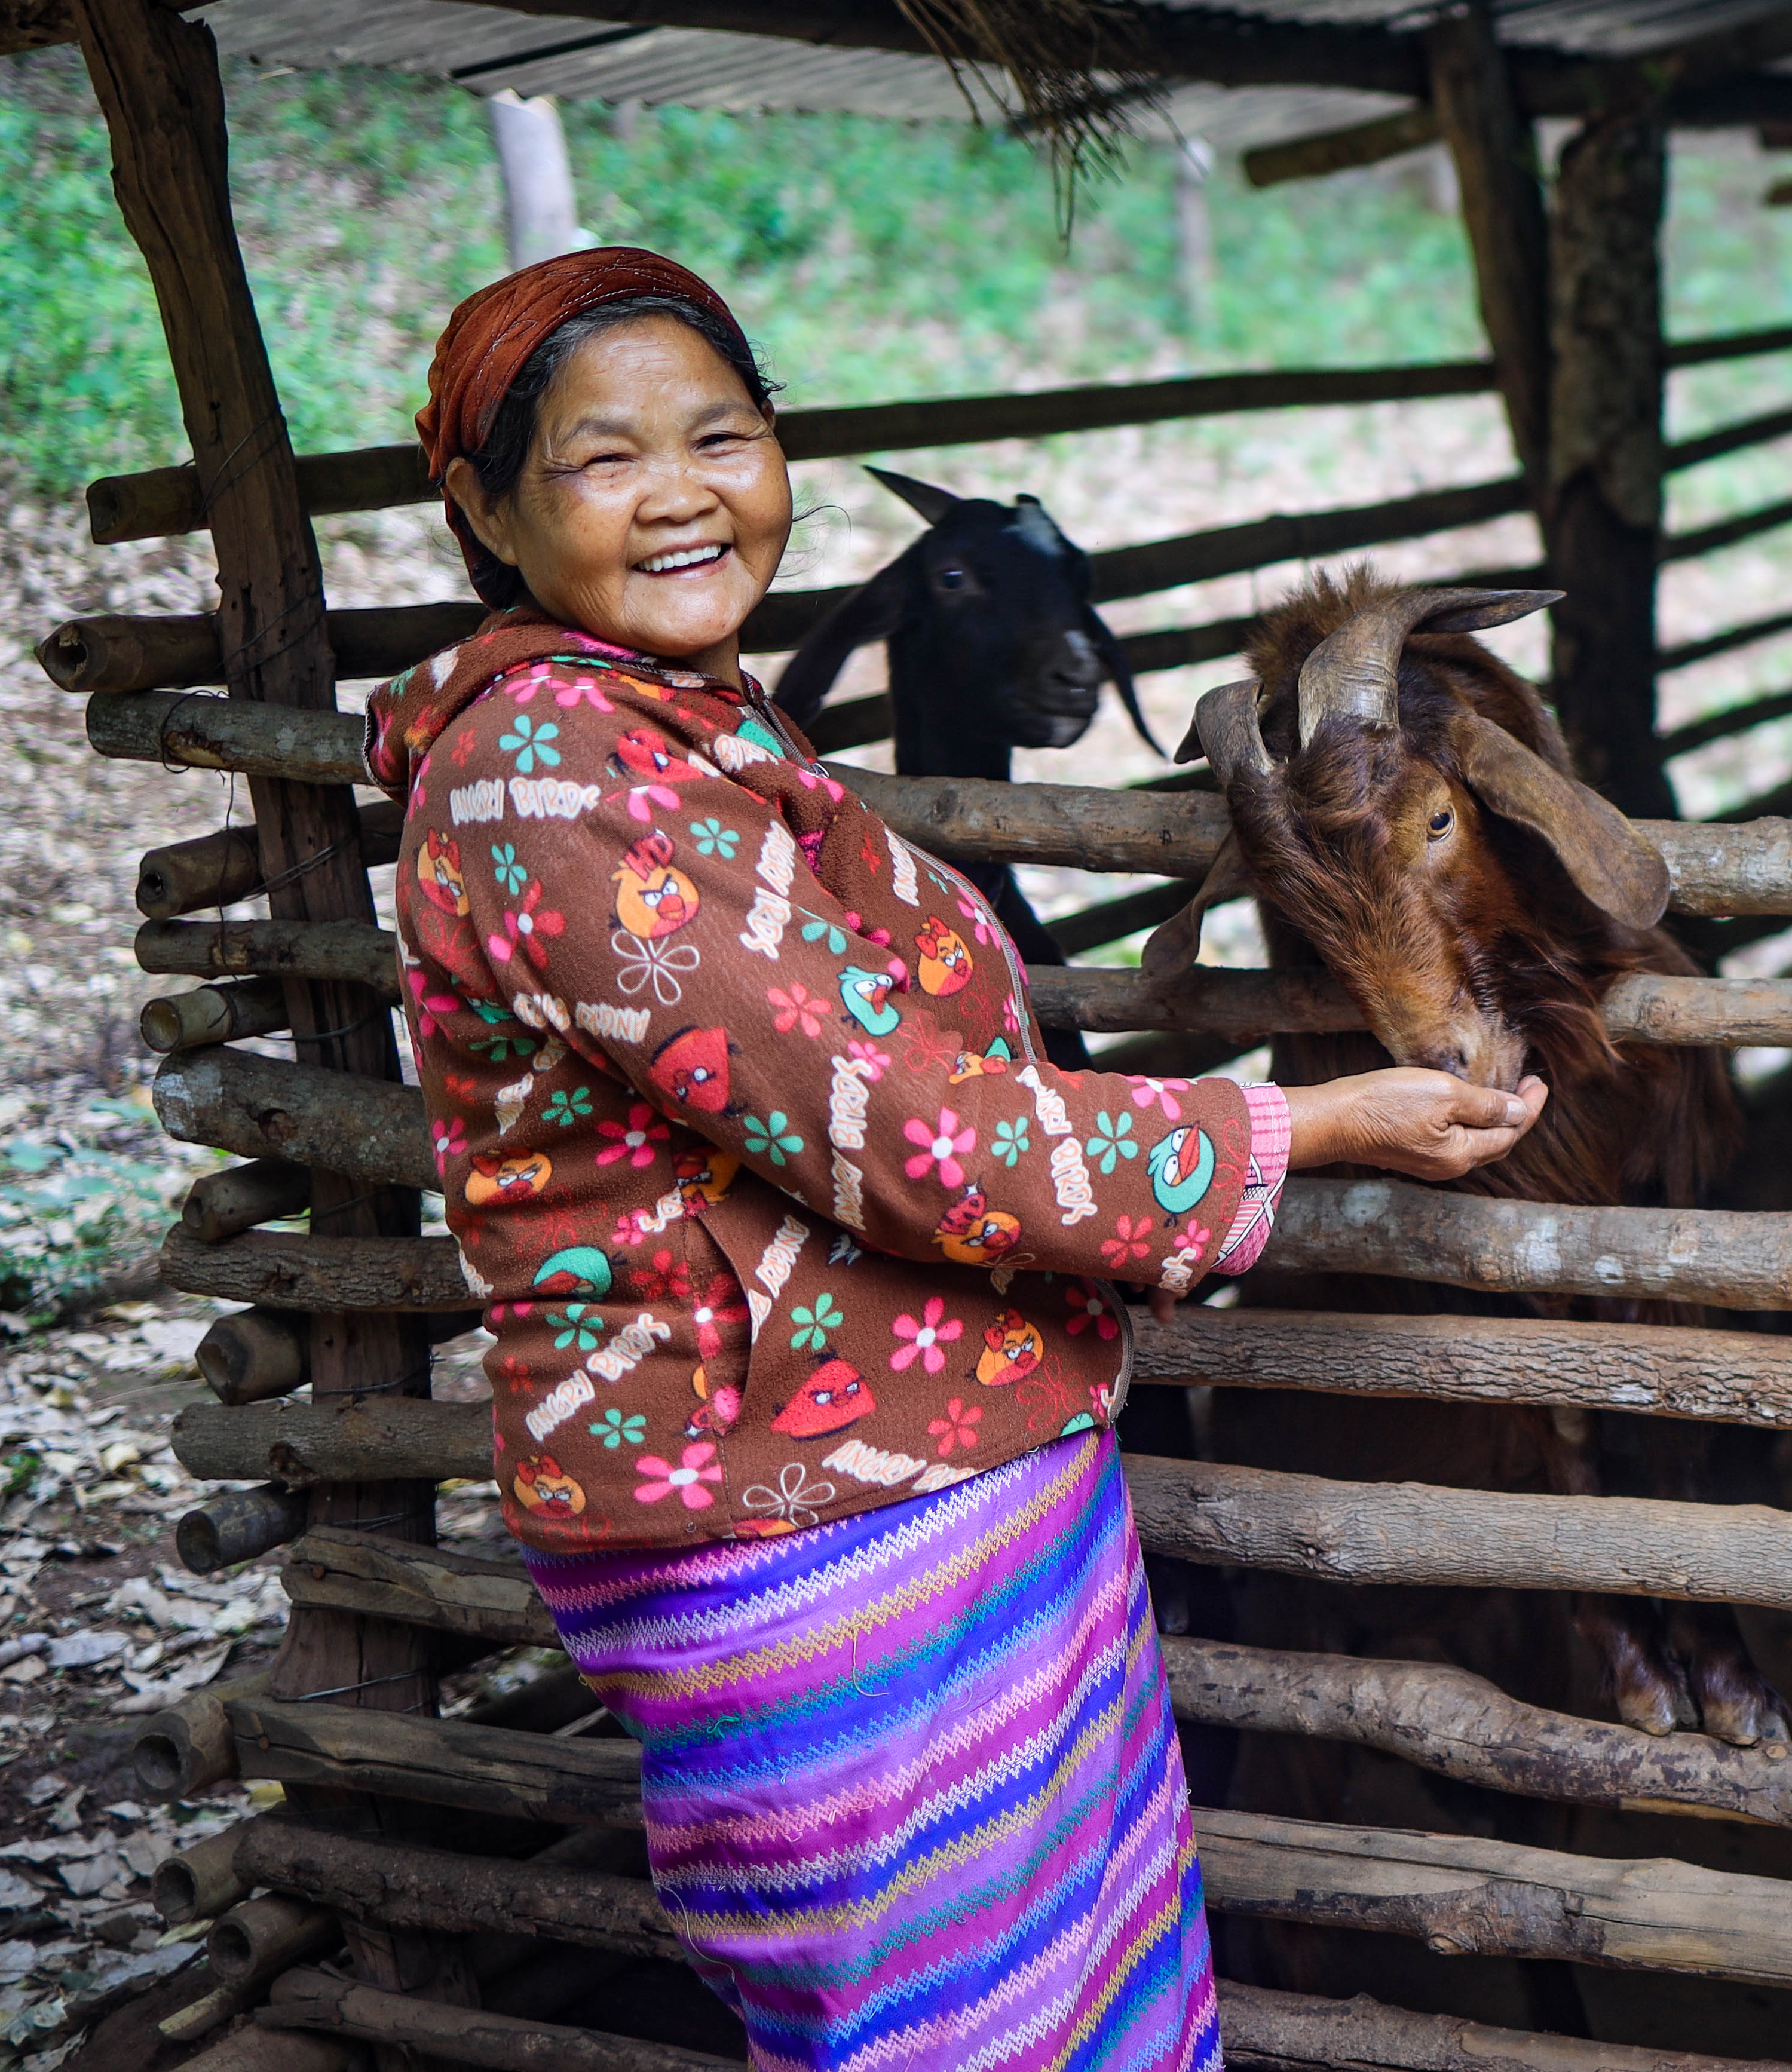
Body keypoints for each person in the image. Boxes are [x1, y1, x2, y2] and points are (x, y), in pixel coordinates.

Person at [373, 247, 1551, 2071]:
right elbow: (906, 1130)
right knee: (943, 2027)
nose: (685, 491)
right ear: (484, 505)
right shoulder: (552, 778)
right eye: (608, 459)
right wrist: (1307, 1123)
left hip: (935, 1475)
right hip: (794, 1521)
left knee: (1068, 2001)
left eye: (727, 436)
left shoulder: (693, 726)